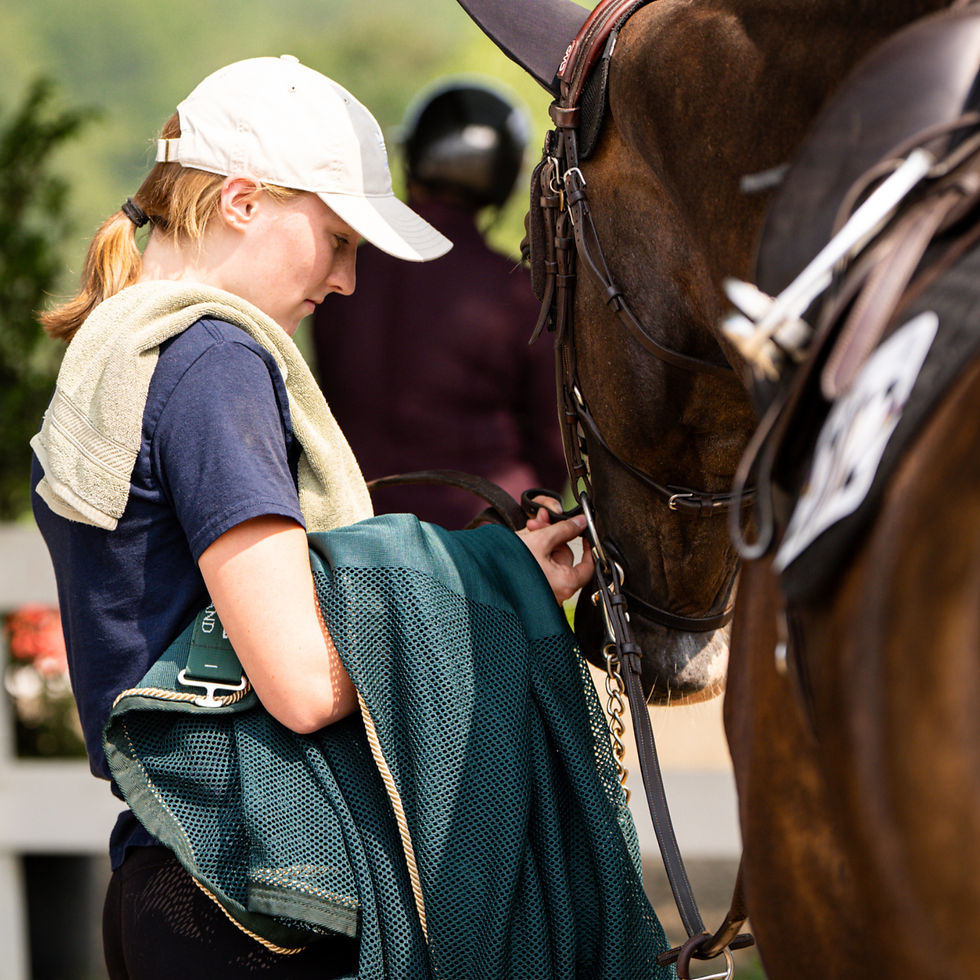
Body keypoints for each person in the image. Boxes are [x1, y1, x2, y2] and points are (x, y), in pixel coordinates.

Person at [29, 56, 596, 978]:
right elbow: (301, 679)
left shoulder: (125, 345)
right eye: (337, 240)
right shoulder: (213, 360)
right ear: (242, 202)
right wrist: (496, 583)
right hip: (260, 898)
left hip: (171, 876)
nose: (348, 284)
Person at [313, 78, 567, 528]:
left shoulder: (337, 274)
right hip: (480, 543)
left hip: (350, 531)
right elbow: (553, 445)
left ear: (411, 160)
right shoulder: (518, 292)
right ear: (506, 179)